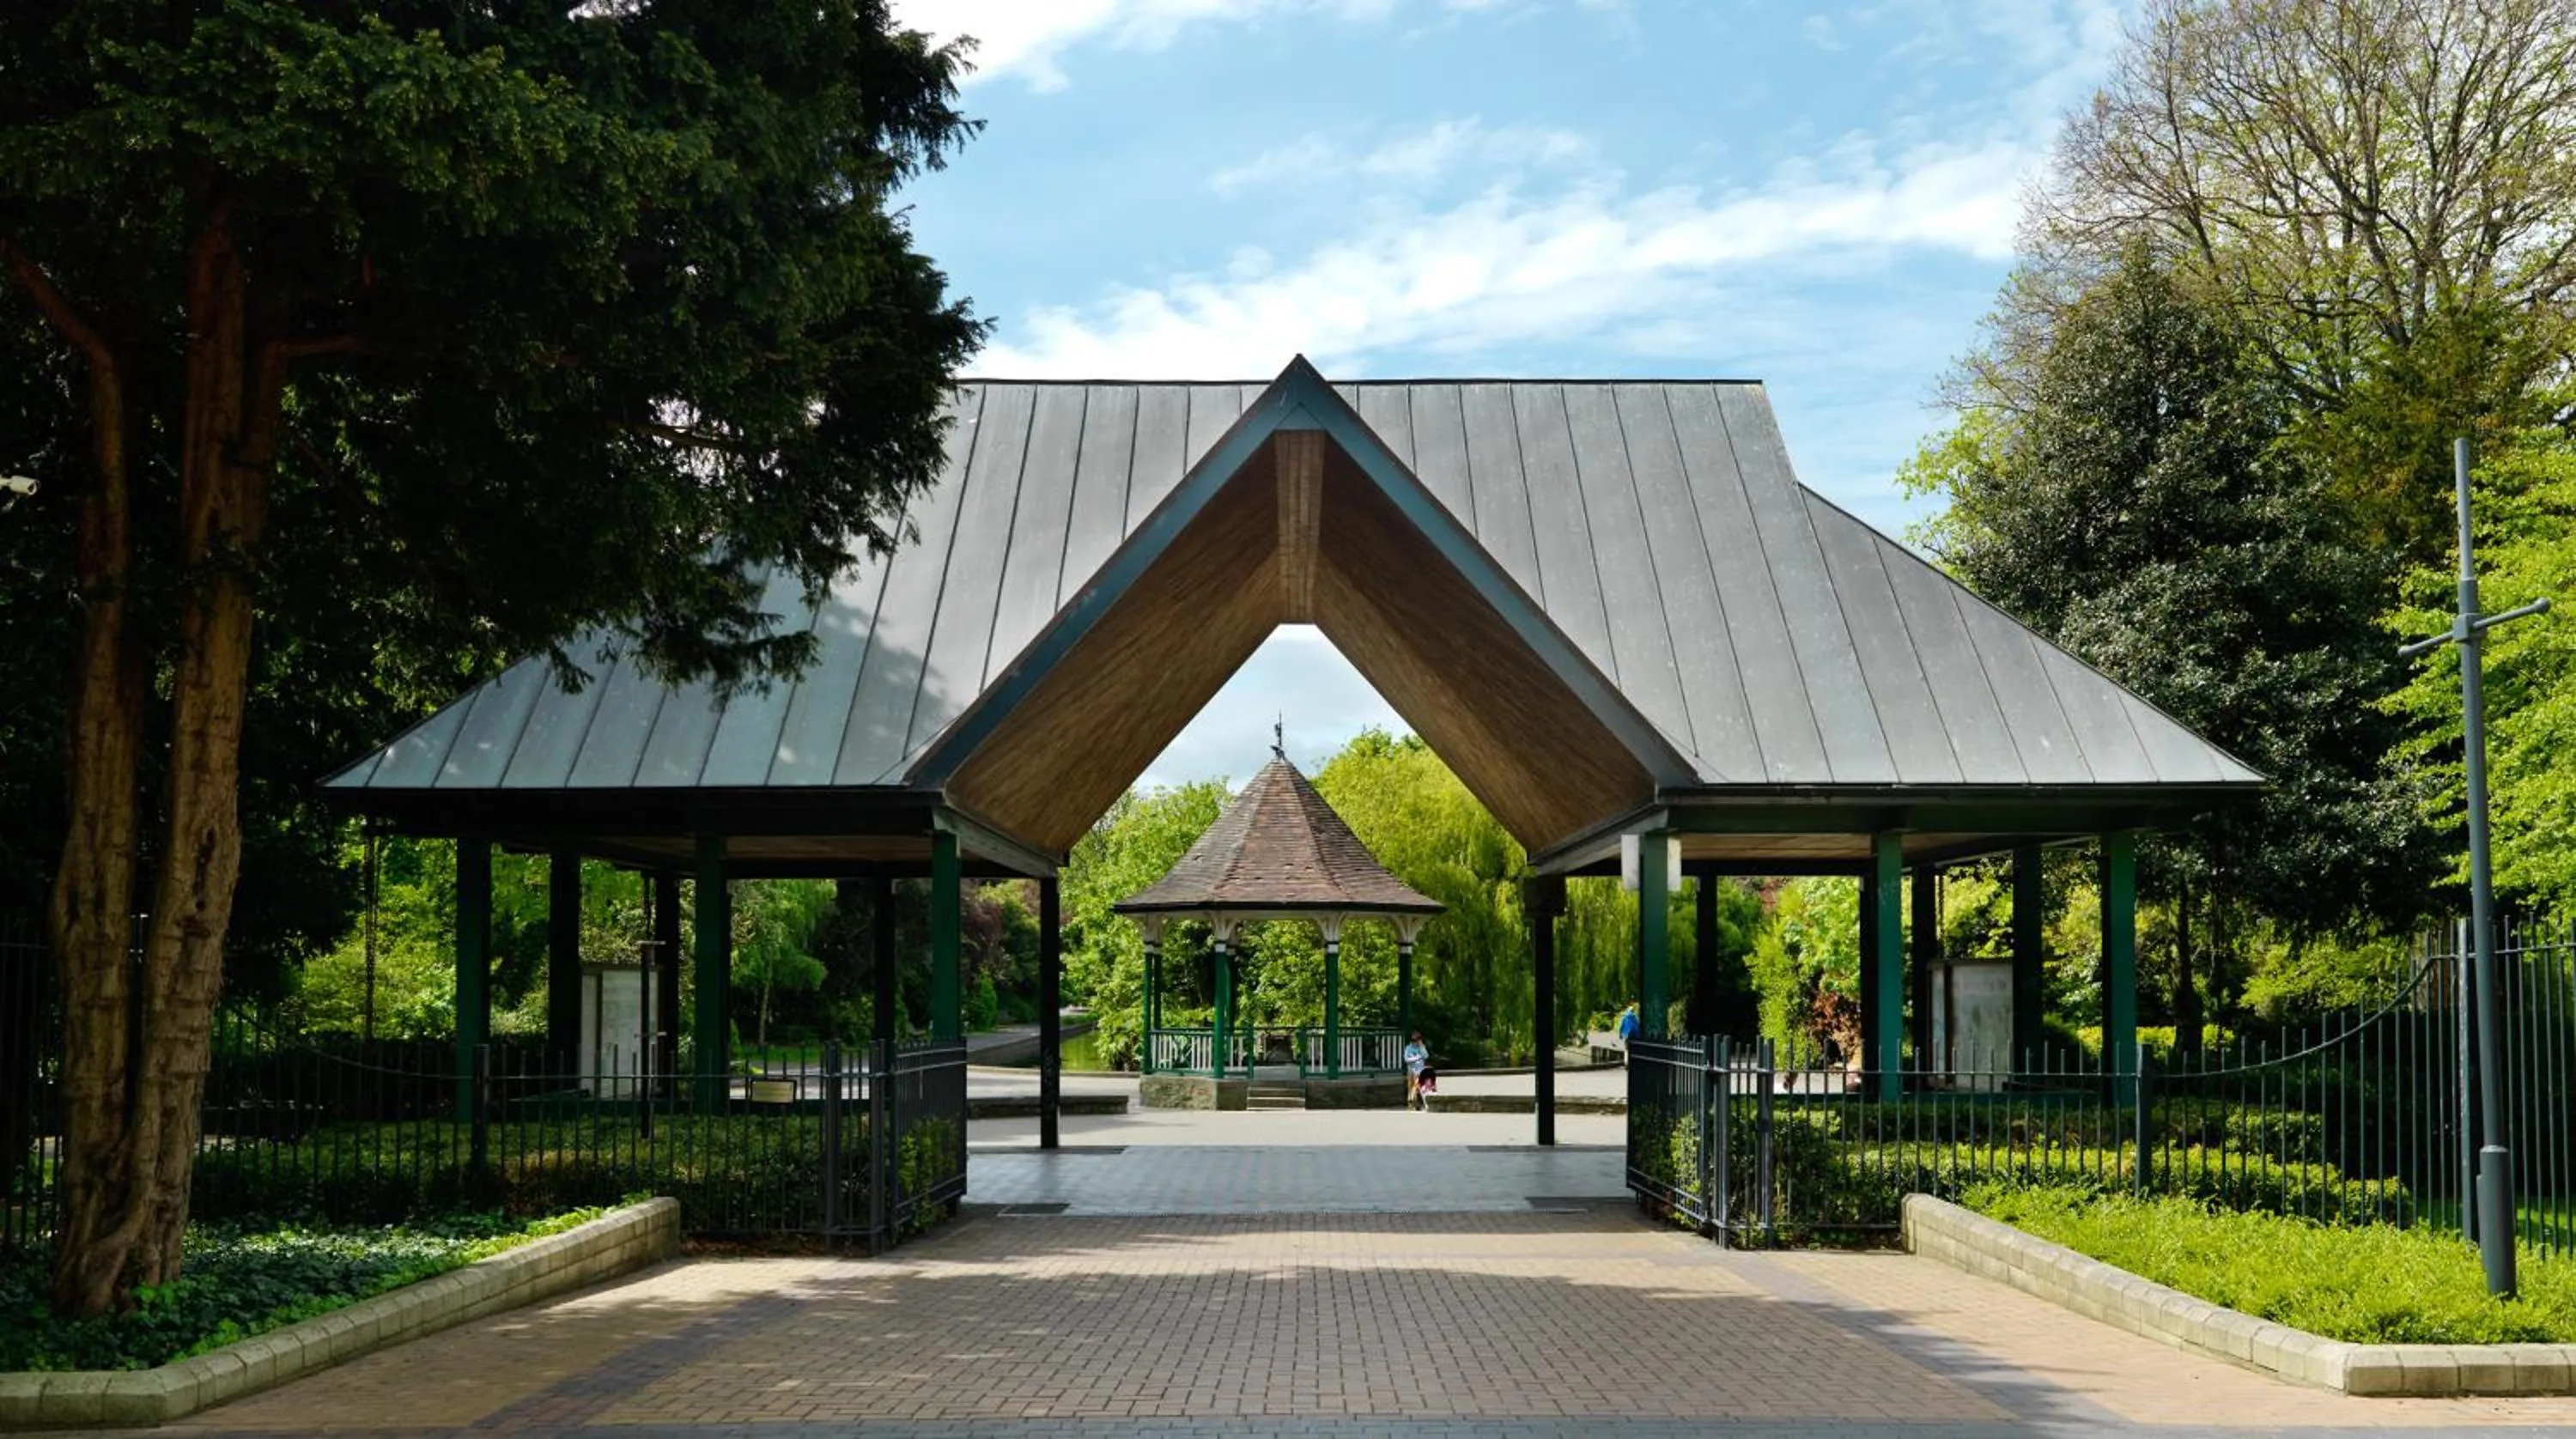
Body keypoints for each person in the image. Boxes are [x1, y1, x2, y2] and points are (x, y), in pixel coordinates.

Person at [1402, 1031, 1430, 1111]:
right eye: (1417, 1041)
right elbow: (1406, 1059)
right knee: (1411, 1086)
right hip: (1411, 1069)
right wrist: (1417, 1058)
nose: (1418, 1042)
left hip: (1420, 1070)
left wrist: (1421, 1047)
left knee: (1417, 1086)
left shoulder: (1421, 1047)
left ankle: (1414, 1101)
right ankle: (1412, 1102)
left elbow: (1426, 1056)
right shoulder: (1408, 1048)